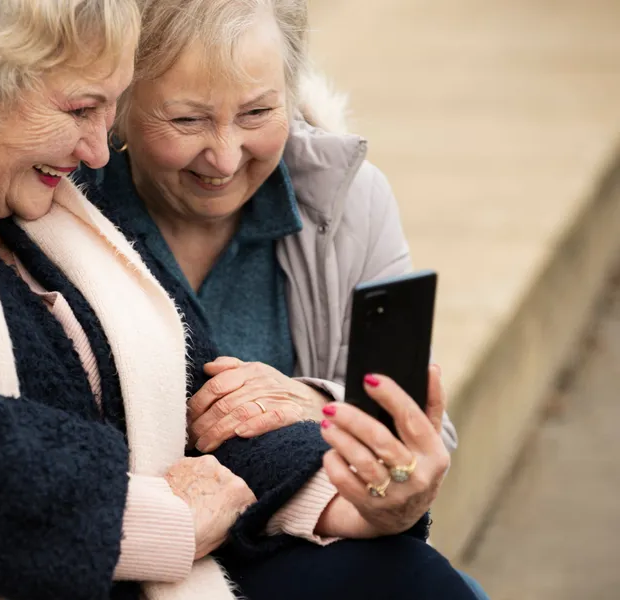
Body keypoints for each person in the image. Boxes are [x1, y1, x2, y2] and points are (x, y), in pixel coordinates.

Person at [0, 1, 478, 599]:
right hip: (55, 560)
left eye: (256, 111)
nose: (96, 148)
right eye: (82, 109)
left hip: (150, 556)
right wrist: (151, 517)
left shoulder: (39, 198)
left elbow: (200, 403)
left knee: (415, 580)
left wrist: (351, 498)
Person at [74, 0, 488, 597]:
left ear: (290, 95)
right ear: (119, 105)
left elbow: (417, 427)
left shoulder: (347, 199)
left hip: (305, 532)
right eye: (187, 120)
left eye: (257, 112)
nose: (224, 156)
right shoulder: (65, 207)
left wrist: (311, 402)